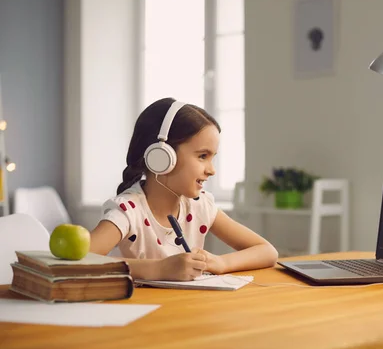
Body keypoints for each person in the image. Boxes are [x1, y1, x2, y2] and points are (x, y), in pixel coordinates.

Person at [89, 97, 278, 281]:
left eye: (212, 158)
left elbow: (267, 251)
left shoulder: (200, 205)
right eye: (203, 156)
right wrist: (158, 268)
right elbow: (75, 262)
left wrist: (220, 262)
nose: (212, 170)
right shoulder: (128, 210)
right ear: (162, 156)